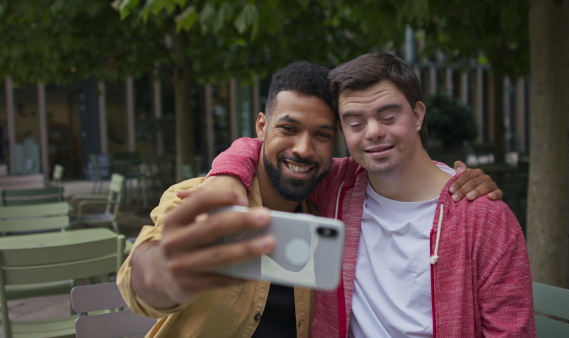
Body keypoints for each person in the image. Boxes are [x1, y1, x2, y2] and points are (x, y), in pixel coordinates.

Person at [118, 60, 501, 337]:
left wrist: (458, 180)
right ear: (261, 126)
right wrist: (160, 275)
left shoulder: (331, 203)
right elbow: (143, 278)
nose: (303, 149)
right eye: (288, 128)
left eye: (321, 134)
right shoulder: (206, 199)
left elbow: (399, 166)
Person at [206, 53, 535, 337]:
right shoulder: (336, 185)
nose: (374, 131)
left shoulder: (483, 218)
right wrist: (227, 176)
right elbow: (269, 150)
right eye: (355, 122)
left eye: (389, 117)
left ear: (418, 115)